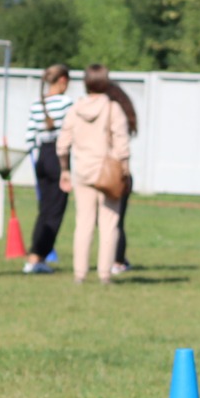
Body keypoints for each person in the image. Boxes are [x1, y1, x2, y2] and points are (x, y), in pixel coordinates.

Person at [58, 64, 132, 284]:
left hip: (82, 171)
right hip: (107, 172)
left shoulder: (75, 109)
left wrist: (65, 170)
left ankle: (79, 274)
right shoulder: (113, 109)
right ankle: (104, 274)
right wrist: (125, 170)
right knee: (109, 224)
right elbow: (122, 144)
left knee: (83, 224)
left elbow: (63, 144)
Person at [23, 64, 73, 274]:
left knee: (44, 208)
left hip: (41, 157)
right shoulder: (66, 103)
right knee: (55, 210)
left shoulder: (37, 104)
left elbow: (29, 138)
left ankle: (34, 256)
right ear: (62, 80)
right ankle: (38, 256)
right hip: (58, 156)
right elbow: (71, 131)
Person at [108, 81, 140, 272]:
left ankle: (117, 260)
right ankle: (117, 259)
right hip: (120, 172)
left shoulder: (111, 116)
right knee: (116, 220)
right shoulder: (123, 117)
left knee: (112, 220)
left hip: (110, 172)